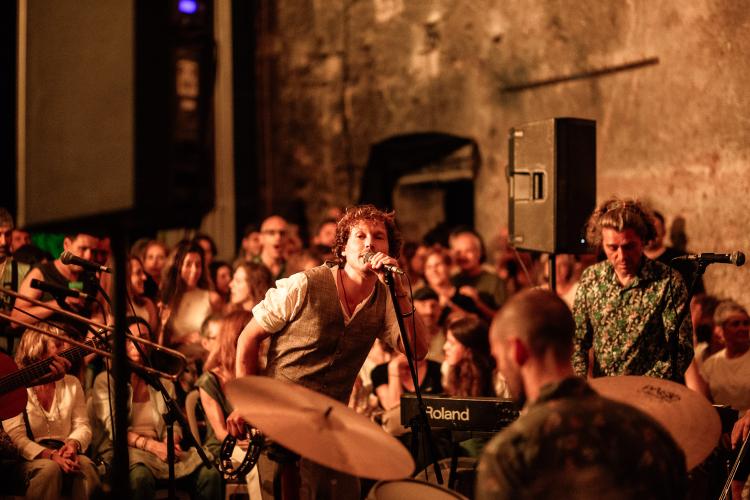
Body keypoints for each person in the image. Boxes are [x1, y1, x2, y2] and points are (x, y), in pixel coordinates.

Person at [227, 204, 428, 500]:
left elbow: (418, 350)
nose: (370, 243)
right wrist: (247, 404)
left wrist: (400, 291)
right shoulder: (304, 284)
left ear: (390, 249)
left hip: (329, 424)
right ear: (343, 248)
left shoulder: (386, 298)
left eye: (378, 236)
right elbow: (248, 338)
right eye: (360, 236)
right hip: (280, 417)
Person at [476, 289, 687, 500]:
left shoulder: (511, 453)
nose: (499, 369)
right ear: (570, 346)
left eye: (497, 358)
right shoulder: (650, 433)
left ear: (517, 351)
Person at [92, 319, 222, 500]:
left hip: (161, 451)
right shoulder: (106, 381)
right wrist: (153, 447)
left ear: (150, 343)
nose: (137, 344)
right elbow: (115, 430)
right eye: (129, 339)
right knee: (140, 477)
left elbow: (174, 424)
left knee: (209, 474)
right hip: (125, 453)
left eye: (143, 337)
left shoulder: (163, 381)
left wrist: (170, 441)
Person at [571, 198, 693, 382]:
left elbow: (681, 348)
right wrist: (581, 383)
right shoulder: (591, 278)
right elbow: (577, 341)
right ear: (601, 243)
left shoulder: (668, 281)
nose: (622, 256)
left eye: (629, 247)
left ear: (643, 241)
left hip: (650, 392)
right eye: (612, 248)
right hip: (604, 390)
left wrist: (639, 386)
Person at [2, 325, 100, 500]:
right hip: (29, 458)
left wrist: (73, 444)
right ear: (37, 348)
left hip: (64, 450)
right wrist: (51, 455)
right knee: (49, 469)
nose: (67, 349)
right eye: (58, 344)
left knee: (86, 465)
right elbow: (16, 437)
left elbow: (82, 425)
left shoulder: (72, 382)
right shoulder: (16, 384)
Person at [195, 309, 261, 498]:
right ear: (237, 340)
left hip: (251, 442)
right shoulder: (209, 380)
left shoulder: (253, 372)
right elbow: (220, 432)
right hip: (223, 447)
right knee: (256, 464)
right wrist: (246, 445)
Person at [11, 232, 101, 338]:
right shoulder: (41, 273)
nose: (88, 256)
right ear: (66, 244)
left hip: (78, 346)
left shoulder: (90, 278)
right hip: (44, 345)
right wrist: (59, 304)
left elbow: (97, 316)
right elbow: (16, 319)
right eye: (83, 248)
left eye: (93, 251)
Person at [449, 228, 507, 320]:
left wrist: (478, 303)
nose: (463, 256)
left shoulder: (494, 281)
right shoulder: (451, 281)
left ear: (480, 252)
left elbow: (503, 318)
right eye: (458, 252)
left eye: (468, 251)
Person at [443, 316, 495, 398]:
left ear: (469, 349)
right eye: (447, 341)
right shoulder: (446, 369)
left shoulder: (496, 379)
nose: (445, 347)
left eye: (452, 343)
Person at [254, 215, 289, 281]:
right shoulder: (249, 268)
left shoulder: (292, 269)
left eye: (282, 233)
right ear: (261, 238)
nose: (278, 237)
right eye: (271, 233)